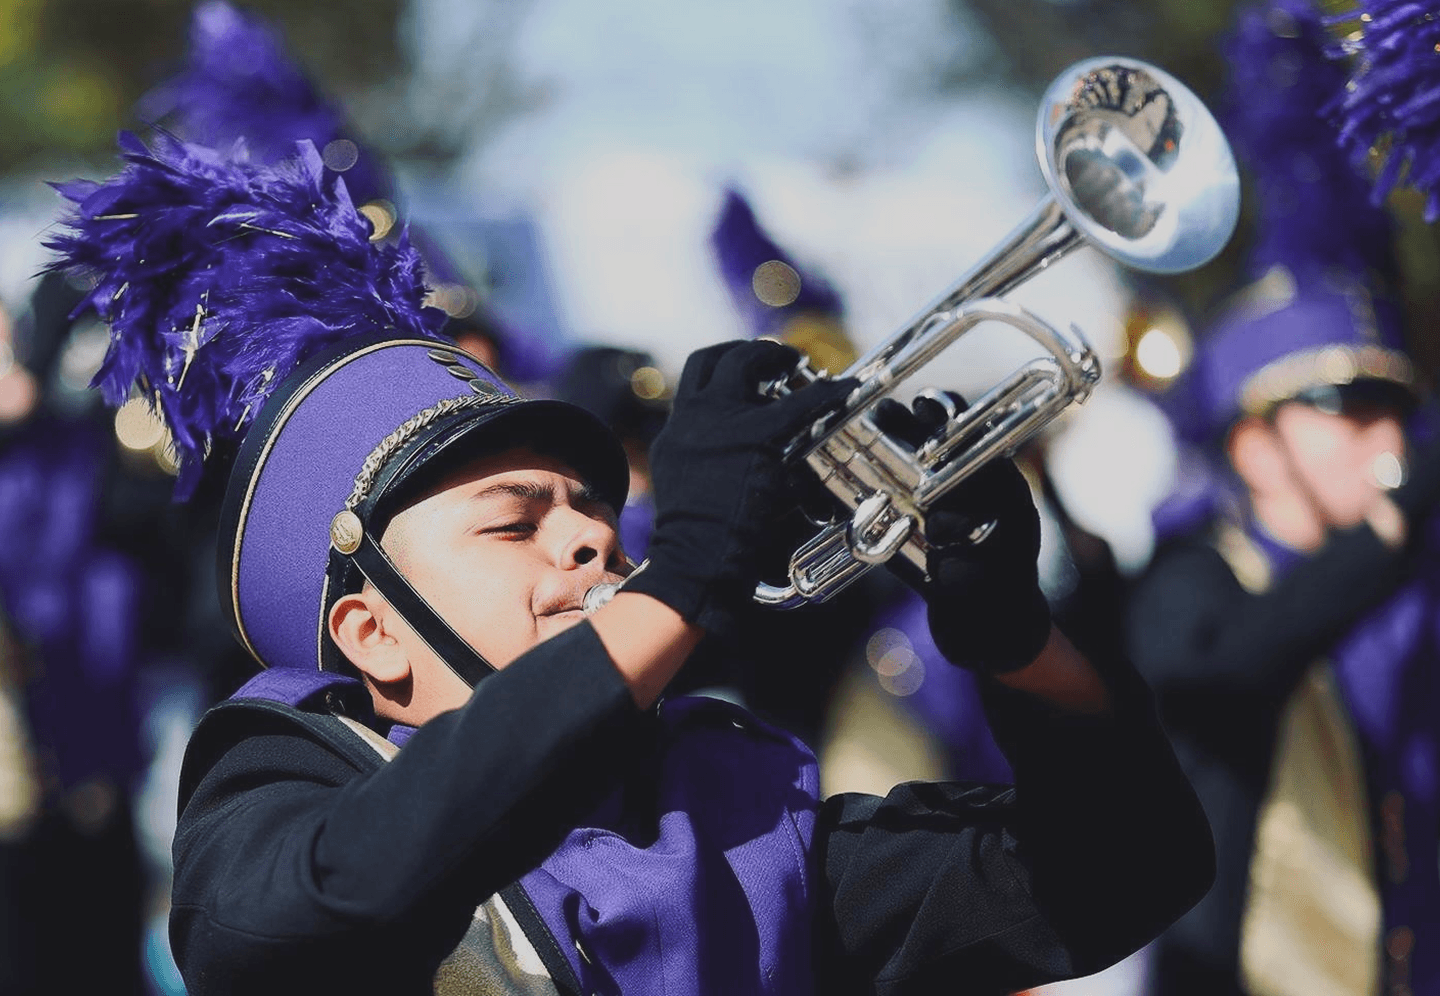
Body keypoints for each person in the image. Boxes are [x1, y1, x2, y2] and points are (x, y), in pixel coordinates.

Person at [47, 130, 1213, 995]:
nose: (593, 536)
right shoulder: (276, 795)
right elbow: (331, 905)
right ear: (372, 635)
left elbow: (1131, 870)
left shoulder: (730, 812)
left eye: (596, 507)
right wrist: (687, 572)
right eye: (516, 522)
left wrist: (1015, 639)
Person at [1130, 0, 1440, 995]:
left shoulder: (1409, 589)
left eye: (1393, 401)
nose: (1385, 430)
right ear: (1254, 444)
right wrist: (1395, 521)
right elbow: (1225, 671)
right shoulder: (1190, 575)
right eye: (1339, 400)